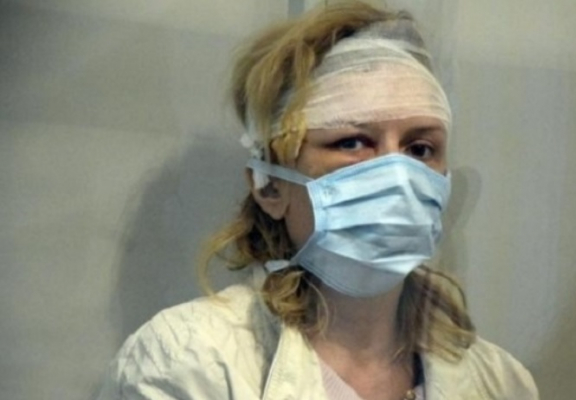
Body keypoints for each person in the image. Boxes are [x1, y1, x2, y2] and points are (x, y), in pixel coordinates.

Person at [96, 1, 539, 399]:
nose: (397, 174)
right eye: (352, 142)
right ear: (270, 187)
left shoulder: (501, 383)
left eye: (420, 148)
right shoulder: (187, 364)